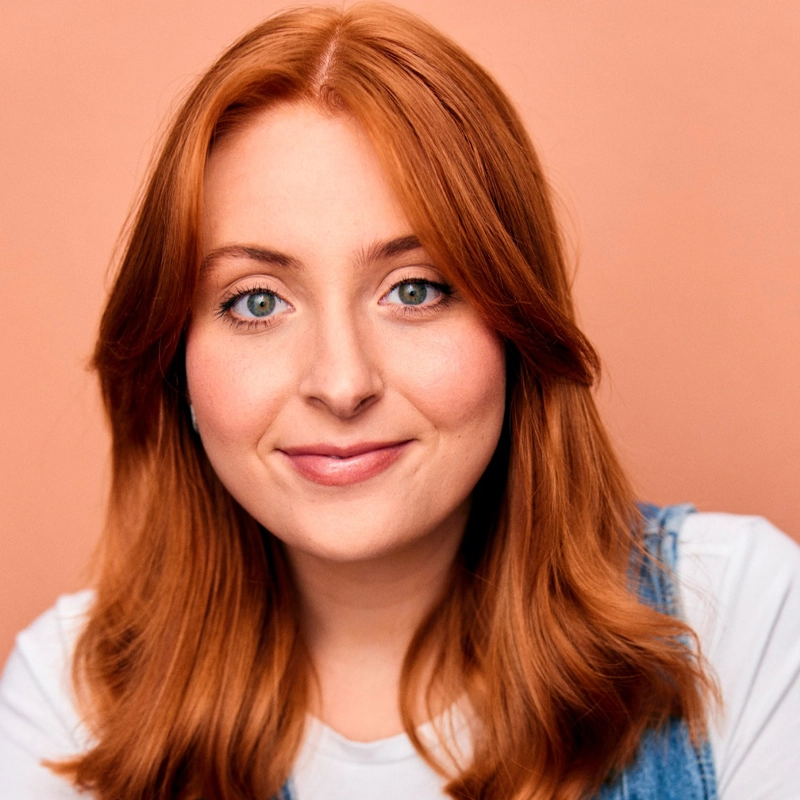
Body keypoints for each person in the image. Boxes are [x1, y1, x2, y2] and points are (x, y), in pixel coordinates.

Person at [0, 5, 798, 799]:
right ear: (173, 352)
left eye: (414, 289)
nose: (342, 384)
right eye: (256, 301)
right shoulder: (74, 703)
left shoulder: (736, 619)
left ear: (518, 319)